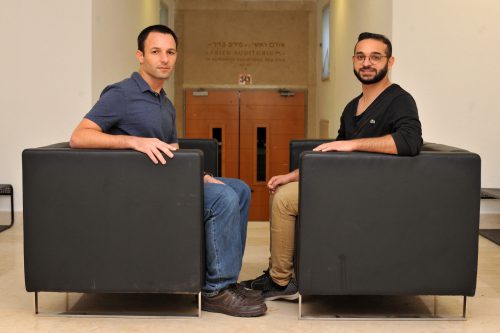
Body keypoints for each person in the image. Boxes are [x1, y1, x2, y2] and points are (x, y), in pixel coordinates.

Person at [70, 25, 266, 317]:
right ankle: (215, 292)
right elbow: (79, 136)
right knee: (221, 199)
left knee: (237, 188)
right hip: (139, 190)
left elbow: (171, 151)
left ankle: (226, 282)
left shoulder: (165, 103)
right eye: (156, 51)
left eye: (170, 52)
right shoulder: (121, 94)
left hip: (165, 182)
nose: (164, 59)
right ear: (140, 56)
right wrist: (133, 141)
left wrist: (197, 175)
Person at [242, 32, 423, 300]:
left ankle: (280, 281)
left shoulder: (399, 99)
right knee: (283, 190)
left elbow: (410, 142)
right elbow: (332, 155)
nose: (367, 63)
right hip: (346, 185)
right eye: (361, 56)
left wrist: (354, 144)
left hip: (375, 194)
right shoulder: (353, 107)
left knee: (284, 201)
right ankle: (279, 276)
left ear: (390, 61)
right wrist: (292, 175)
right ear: (353, 61)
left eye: (375, 57)